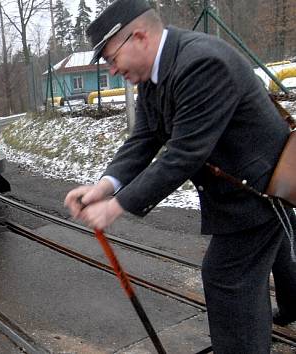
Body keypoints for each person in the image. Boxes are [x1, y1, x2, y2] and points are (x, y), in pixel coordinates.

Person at [63, 0, 296, 353]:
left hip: (259, 191)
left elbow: (184, 154)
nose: (111, 70)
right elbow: (144, 138)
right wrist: (104, 187)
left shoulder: (201, 63)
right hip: (243, 184)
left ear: (138, 37)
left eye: (111, 58)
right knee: (278, 247)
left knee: (227, 278)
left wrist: (116, 207)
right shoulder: (155, 76)